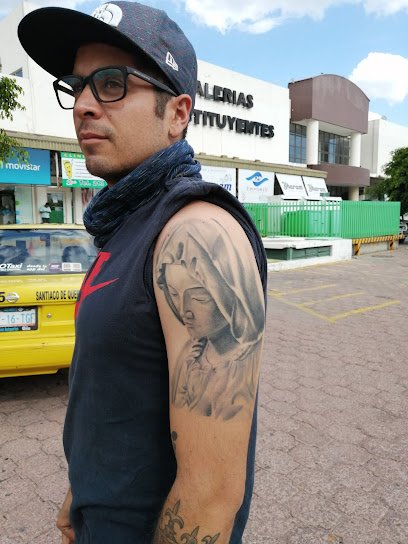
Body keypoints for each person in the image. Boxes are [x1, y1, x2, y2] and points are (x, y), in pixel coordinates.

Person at [18, 2, 267, 543]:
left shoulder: (196, 233)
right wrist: (80, 494)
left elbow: (212, 493)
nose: (83, 105)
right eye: (77, 86)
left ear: (178, 113)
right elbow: (112, 391)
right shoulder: (126, 224)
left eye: (111, 83)